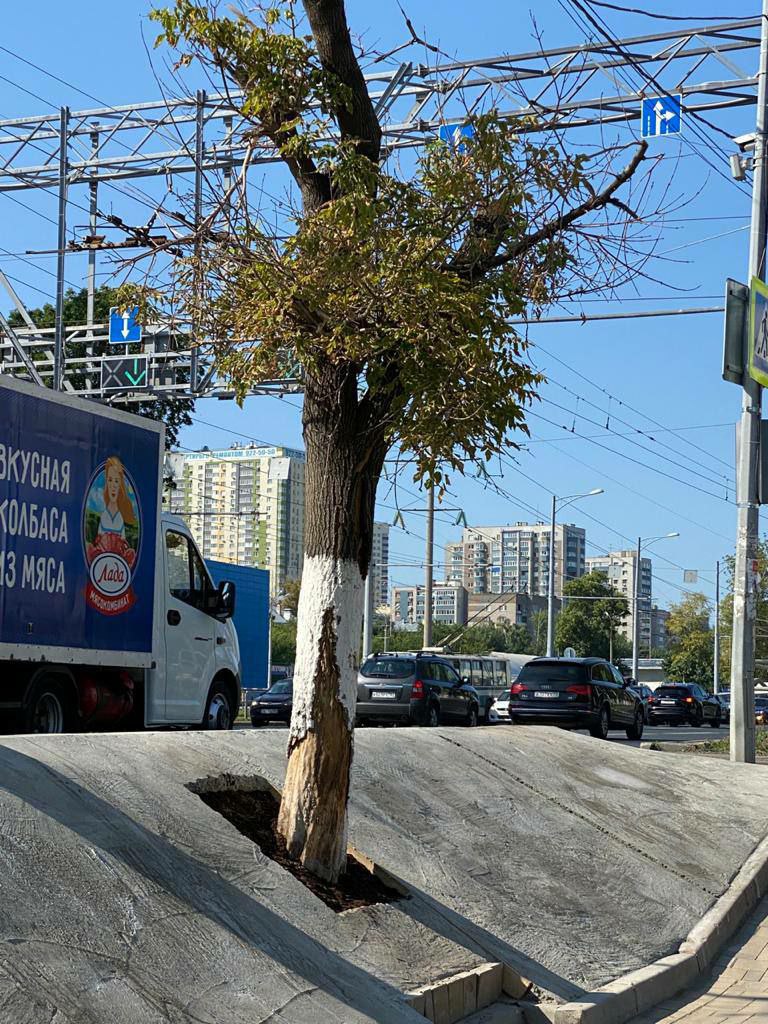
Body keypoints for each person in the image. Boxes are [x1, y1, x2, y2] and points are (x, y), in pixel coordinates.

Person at [97, 456, 136, 542]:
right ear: (106, 482)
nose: (113, 486)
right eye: (110, 480)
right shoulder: (104, 516)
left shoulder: (120, 518)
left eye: (116, 481)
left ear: (120, 485)